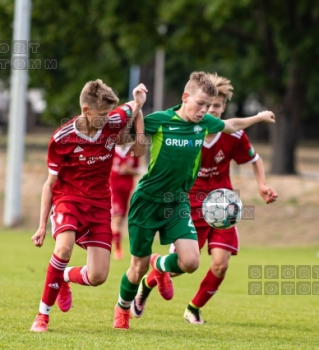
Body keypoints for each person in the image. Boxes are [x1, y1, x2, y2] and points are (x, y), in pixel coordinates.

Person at [113, 71, 276, 330]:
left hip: (178, 202)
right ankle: (122, 308)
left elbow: (232, 125)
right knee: (137, 268)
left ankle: (162, 268)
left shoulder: (205, 124)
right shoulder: (161, 120)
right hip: (147, 202)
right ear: (185, 97)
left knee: (190, 262)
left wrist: (259, 117)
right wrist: (136, 106)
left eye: (210, 106)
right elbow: (124, 139)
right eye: (201, 104)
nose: (205, 111)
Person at [29, 79, 147, 332]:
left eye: (108, 114)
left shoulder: (113, 120)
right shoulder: (62, 138)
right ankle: (42, 316)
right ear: (85, 110)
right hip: (68, 200)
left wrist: (139, 138)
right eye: (102, 115)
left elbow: (136, 106)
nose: (107, 120)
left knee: (98, 277)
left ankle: (62, 277)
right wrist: (41, 226)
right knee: (63, 249)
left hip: (100, 204)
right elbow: (50, 184)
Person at [110, 144, 142, 260]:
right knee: (117, 218)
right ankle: (117, 250)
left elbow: (138, 170)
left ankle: (116, 243)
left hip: (127, 190)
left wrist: (130, 171)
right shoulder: (112, 151)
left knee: (124, 219)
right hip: (114, 190)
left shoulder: (133, 152)